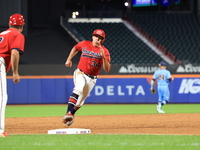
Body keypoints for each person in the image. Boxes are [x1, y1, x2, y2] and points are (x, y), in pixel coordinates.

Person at [62, 29, 111, 126]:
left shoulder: (104, 51)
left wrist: (104, 58)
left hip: (92, 78)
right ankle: (68, 113)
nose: (98, 39)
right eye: (97, 36)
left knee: (80, 102)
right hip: (80, 72)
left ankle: (71, 114)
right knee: (78, 88)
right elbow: (76, 48)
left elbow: (107, 69)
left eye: (101, 38)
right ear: (93, 36)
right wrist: (69, 59)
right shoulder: (85, 44)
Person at [0, 14, 25, 137]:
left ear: (10, 24)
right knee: (1, 98)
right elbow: (15, 53)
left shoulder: (1, 34)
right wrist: (15, 72)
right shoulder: (17, 35)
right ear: (21, 26)